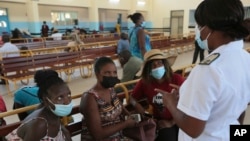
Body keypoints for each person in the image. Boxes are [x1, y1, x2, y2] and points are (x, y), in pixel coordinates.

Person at [155, 0, 250, 141]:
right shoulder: (245, 58)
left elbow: (193, 130)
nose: (198, 30)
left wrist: (171, 104)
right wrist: (190, 92)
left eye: (199, 25)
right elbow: (240, 106)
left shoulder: (209, 68)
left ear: (211, 28)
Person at [129, 49, 185, 141]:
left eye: (159, 63)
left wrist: (172, 122)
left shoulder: (176, 79)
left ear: (164, 65)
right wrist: (138, 107)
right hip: (161, 121)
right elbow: (131, 98)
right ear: (148, 69)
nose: (157, 67)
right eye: (153, 65)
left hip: (182, 117)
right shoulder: (144, 83)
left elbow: (191, 101)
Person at [79, 56, 137, 141]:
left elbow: (118, 105)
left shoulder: (111, 90)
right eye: (107, 73)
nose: (112, 76)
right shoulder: (90, 98)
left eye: (114, 72)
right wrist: (125, 124)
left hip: (118, 137)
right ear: (97, 74)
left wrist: (128, 115)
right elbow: (98, 135)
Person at [6, 69, 73, 141]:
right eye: (59, 98)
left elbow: (63, 132)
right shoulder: (39, 124)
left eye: (69, 95)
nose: (67, 101)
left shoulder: (52, 113)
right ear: (46, 100)